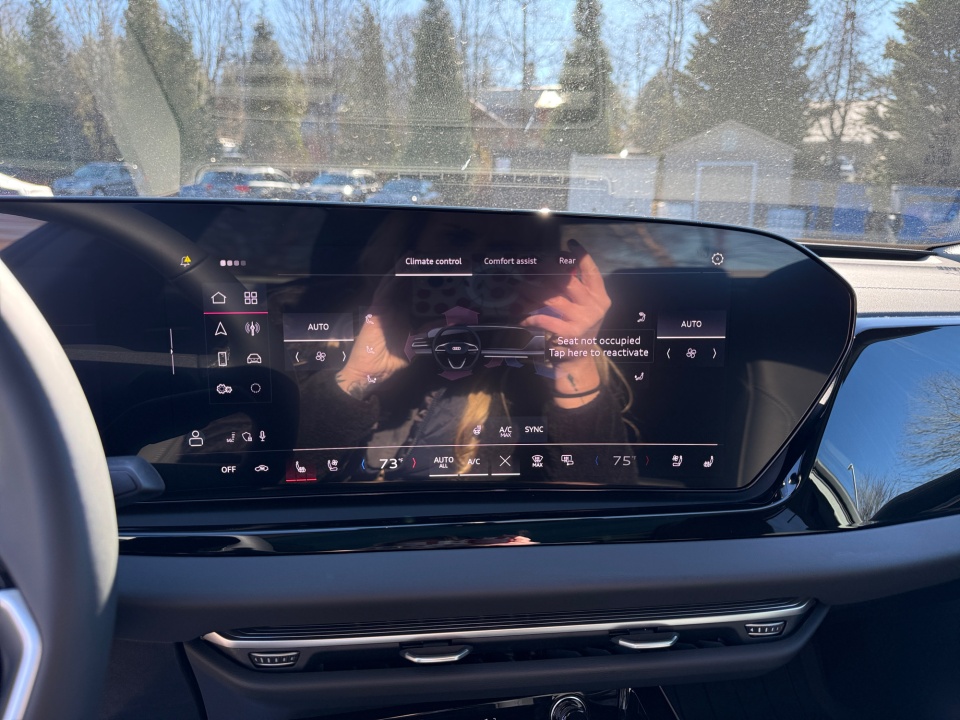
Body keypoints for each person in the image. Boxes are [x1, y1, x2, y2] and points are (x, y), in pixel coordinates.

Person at [296, 214, 635, 482]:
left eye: (505, 251)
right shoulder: (323, 336)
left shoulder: (540, 360)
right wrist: (359, 375)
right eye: (456, 239)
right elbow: (294, 478)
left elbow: (602, 509)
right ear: (408, 248)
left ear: (536, 268)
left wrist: (574, 363)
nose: (478, 263)